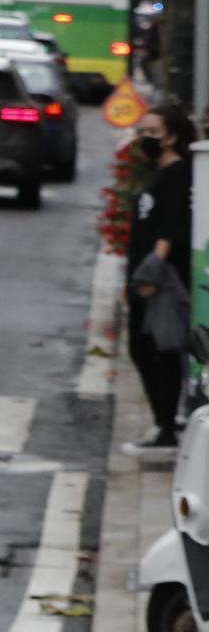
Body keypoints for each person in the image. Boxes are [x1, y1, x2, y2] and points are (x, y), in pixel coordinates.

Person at [125, 103, 197, 453]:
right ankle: (161, 425)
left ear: (172, 136)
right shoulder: (155, 172)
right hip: (142, 276)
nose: (145, 138)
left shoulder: (179, 173)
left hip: (160, 280)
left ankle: (166, 429)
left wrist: (153, 269)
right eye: (143, 131)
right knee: (140, 349)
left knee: (159, 350)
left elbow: (169, 227)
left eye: (153, 132)